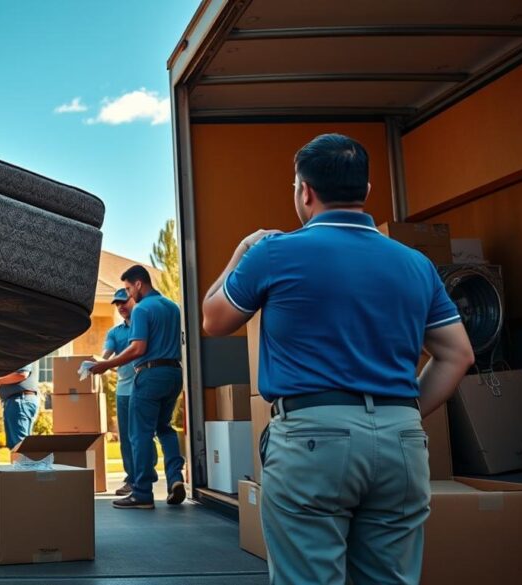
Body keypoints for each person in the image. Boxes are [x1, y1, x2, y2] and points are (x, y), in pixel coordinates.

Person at [200, 133, 474, 585]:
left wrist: (240, 252)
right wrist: (399, 416)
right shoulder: (415, 264)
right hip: (400, 437)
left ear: (305, 191)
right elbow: (457, 354)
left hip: (313, 438)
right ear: (366, 190)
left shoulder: (273, 252)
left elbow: (214, 319)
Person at [90, 265, 186, 509]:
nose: (129, 294)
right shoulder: (173, 307)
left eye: (128, 288)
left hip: (150, 375)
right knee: (165, 428)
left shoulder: (142, 309)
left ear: (139, 284)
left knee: (139, 433)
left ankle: (142, 493)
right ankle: (175, 477)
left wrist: (106, 365)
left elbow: (137, 348)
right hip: (174, 374)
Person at [101, 288, 138, 496]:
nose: (120, 306)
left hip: (144, 387)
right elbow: (105, 356)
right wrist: (99, 363)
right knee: (126, 438)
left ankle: (144, 476)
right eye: (117, 304)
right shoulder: (114, 333)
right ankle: (132, 479)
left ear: (134, 300)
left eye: (124, 301)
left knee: (143, 435)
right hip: (123, 391)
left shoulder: (144, 325)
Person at [0, 362, 39, 449]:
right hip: (17, 401)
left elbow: (22, 374)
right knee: (16, 446)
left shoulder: (21, 354)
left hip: (19, 401)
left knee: (20, 445)